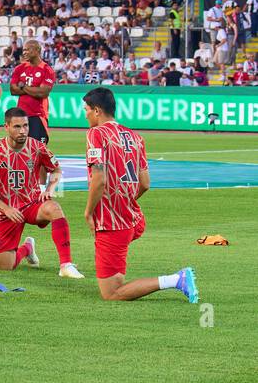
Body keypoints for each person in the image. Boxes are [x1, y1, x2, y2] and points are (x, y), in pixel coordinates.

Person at [82, 87, 197, 303]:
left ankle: (176, 279)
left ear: (97, 110)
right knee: (114, 271)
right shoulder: (135, 137)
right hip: (132, 217)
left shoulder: (95, 134)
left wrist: (89, 212)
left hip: (111, 221)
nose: (85, 114)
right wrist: (127, 200)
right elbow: (145, 183)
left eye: (86, 109)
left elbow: (99, 179)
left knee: (112, 293)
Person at [0, 108, 83, 278]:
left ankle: (66, 265)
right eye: (17, 126)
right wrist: (5, 209)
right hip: (8, 211)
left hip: (32, 204)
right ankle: (27, 248)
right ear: (6, 127)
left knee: (54, 208)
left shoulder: (38, 147)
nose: (23, 131)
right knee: (5, 265)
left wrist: (49, 189)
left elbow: (56, 170)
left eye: (25, 126)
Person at [9, 39, 55, 143]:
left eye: (27, 50)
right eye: (23, 50)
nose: (24, 52)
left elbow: (43, 93)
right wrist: (34, 88)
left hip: (38, 116)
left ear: (37, 50)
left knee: (38, 151)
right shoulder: (19, 68)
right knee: (19, 150)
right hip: (20, 116)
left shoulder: (47, 70)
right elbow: (13, 90)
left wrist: (23, 86)